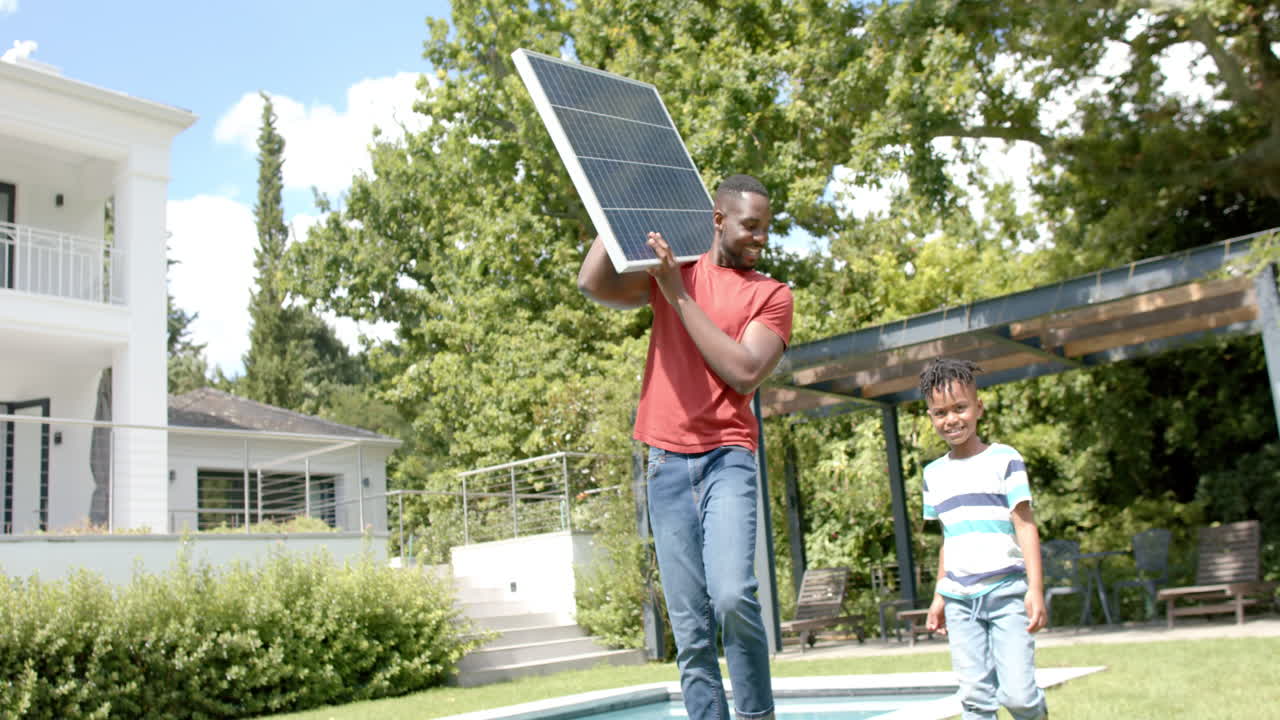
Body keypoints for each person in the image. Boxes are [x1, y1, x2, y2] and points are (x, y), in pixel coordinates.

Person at [577, 174, 792, 720]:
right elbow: (593, 283)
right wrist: (619, 203)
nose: (760, 238)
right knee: (692, 628)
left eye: (766, 228)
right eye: (750, 225)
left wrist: (676, 291)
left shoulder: (771, 295)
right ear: (719, 220)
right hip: (666, 462)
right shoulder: (679, 269)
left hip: (728, 458)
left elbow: (744, 373)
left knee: (731, 595)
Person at [919, 358, 1049, 720]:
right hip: (960, 603)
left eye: (960, 408)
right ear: (930, 416)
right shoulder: (933, 475)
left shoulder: (1005, 460)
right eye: (940, 412)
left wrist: (1035, 589)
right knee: (975, 699)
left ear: (978, 407)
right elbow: (950, 538)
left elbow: (1025, 525)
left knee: (1020, 697)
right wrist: (939, 596)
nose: (951, 419)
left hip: (1007, 595)